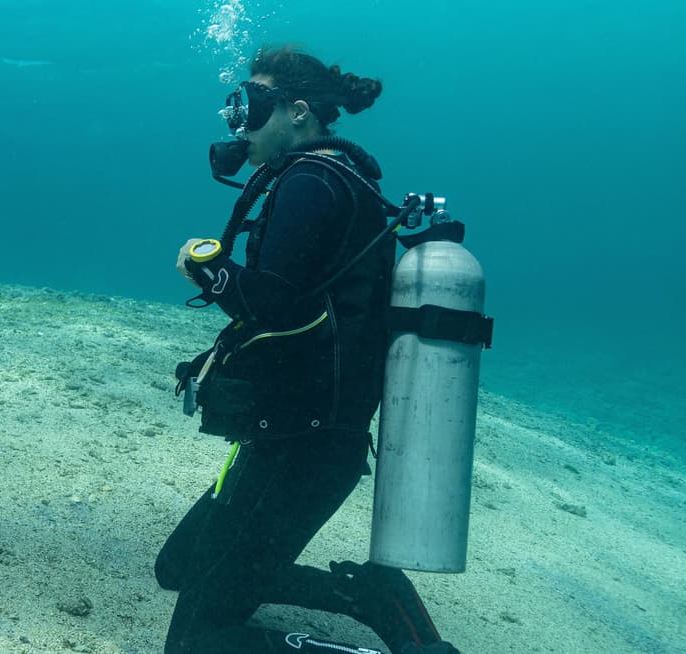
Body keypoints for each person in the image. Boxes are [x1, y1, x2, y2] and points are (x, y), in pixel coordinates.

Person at [159, 46, 459, 654]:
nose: (241, 123)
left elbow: (272, 303)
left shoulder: (311, 180)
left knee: (197, 644)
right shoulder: (334, 177)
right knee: (180, 567)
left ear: (298, 112)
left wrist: (208, 273)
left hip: (303, 448)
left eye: (252, 107)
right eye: (237, 107)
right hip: (296, 434)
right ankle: (369, 596)